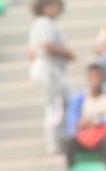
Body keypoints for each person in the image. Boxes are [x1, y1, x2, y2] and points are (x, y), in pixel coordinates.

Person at [28, 0, 74, 155]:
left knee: (61, 104)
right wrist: (66, 53)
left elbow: (32, 52)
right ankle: (55, 143)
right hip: (49, 70)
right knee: (55, 106)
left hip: (48, 69)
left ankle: (60, 139)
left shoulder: (40, 24)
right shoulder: (44, 23)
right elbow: (47, 46)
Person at [65, 63, 106, 171]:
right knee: (69, 142)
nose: (95, 81)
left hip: (105, 136)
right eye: (92, 77)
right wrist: (84, 125)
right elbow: (73, 123)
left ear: (103, 78)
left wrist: (97, 122)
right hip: (86, 136)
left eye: (98, 77)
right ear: (87, 79)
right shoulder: (80, 99)